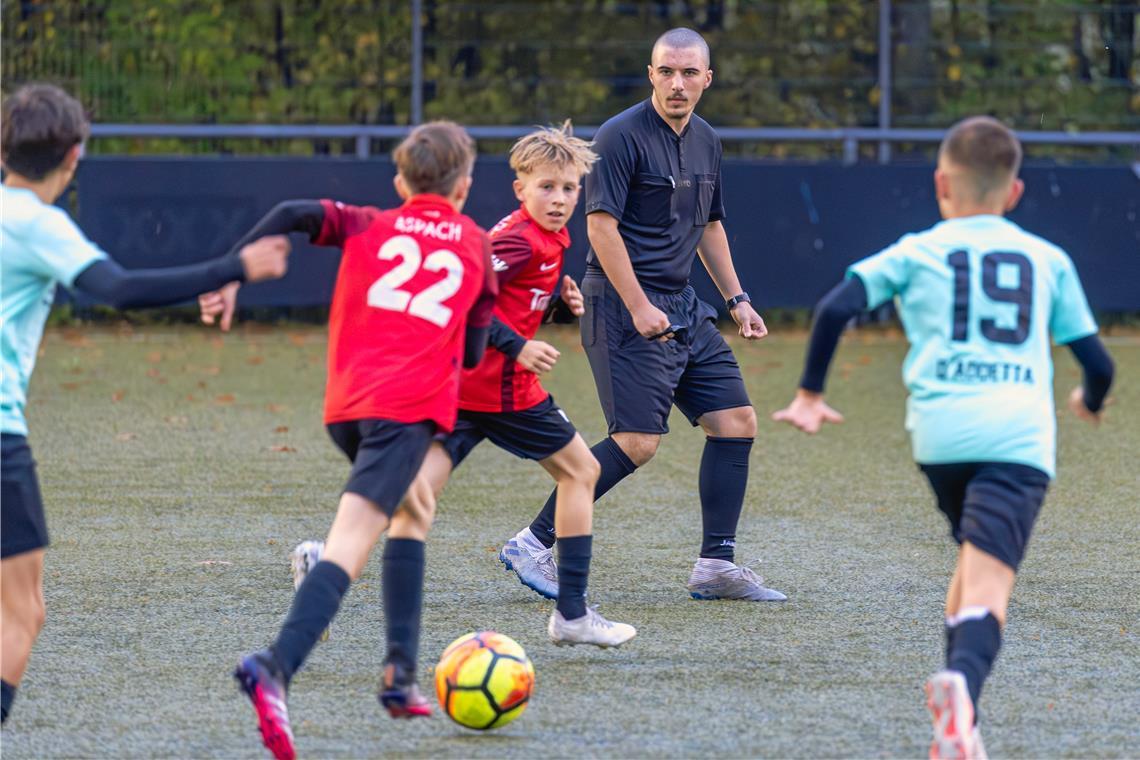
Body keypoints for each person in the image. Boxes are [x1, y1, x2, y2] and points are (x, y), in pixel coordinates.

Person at [772, 116, 1115, 759]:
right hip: (1016, 443)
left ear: (941, 184)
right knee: (990, 589)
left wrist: (811, 394)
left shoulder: (915, 249)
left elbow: (835, 308)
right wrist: (1087, 400)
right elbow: (1099, 365)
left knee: (971, 564)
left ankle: (957, 726)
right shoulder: (1047, 259)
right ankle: (960, 686)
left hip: (940, 441)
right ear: (1014, 193)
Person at [203, 121, 498, 760]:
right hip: (406, 413)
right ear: (466, 186)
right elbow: (474, 349)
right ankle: (275, 666)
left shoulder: (366, 221)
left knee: (416, 509)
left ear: (399, 181)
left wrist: (232, 274)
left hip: (348, 406)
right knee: (352, 542)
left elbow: (289, 214)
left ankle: (400, 673)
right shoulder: (475, 245)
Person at [0, 83, 290, 727]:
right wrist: (231, 266)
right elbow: (120, 289)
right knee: (21, 615)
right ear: (75, 155)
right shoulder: (36, 223)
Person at [292, 122, 637, 648]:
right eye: (547, 187)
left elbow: (506, 303)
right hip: (501, 391)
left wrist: (557, 308)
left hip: (458, 387)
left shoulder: (547, 236)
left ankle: (329, 560)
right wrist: (517, 347)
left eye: (569, 189)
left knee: (416, 495)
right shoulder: (519, 239)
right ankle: (572, 614)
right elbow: (467, 290)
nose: (560, 198)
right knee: (582, 470)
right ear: (520, 188)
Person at [501, 28, 785, 602]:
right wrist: (638, 305)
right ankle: (532, 543)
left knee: (736, 422)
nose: (677, 84)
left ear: (708, 78)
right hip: (620, 303)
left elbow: (710, 225)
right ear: (650, 74)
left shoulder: (707, 140)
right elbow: (600, 227)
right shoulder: (620, 135)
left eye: (688, 73)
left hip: (685, 306)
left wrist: (737, 300)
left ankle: (716, 567)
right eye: (666, 72)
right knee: (636, 441)